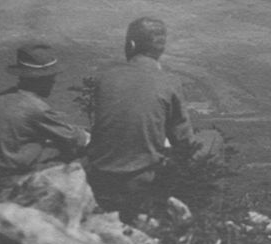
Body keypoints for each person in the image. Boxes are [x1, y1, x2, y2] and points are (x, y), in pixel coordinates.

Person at [86, 17, 202, 224]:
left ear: (130, 45)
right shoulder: (170, 82)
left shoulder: (104, 77)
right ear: (160, 49)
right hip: (140, 181)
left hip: (100, 176)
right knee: (213, 140)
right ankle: (204, 212)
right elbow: (184, 142)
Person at [0, 43, 89, 197]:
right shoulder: (35, 107)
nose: (53, 82)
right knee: (80, 159)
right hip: (6, 181)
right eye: (50, 77)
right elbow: (76, 138)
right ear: (40, 79)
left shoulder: (2, 98)